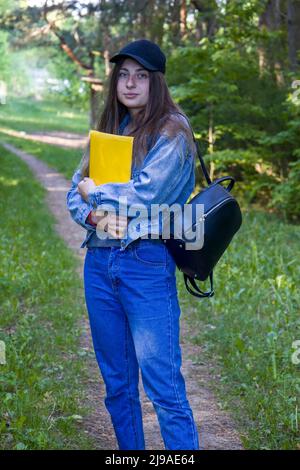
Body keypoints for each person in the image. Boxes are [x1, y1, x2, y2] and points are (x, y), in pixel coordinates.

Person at [66, 38, 200, 450]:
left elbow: (146, 193)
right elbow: (75, 190)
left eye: (140, 76)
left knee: (163, 385)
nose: (130, 84)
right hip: (100, 263)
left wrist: (96, 195)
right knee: (117, 384)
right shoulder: (111, 128)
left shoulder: (173, 130)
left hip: (146, 261)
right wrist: (92, 211)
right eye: (123, 75)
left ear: (155, 82)